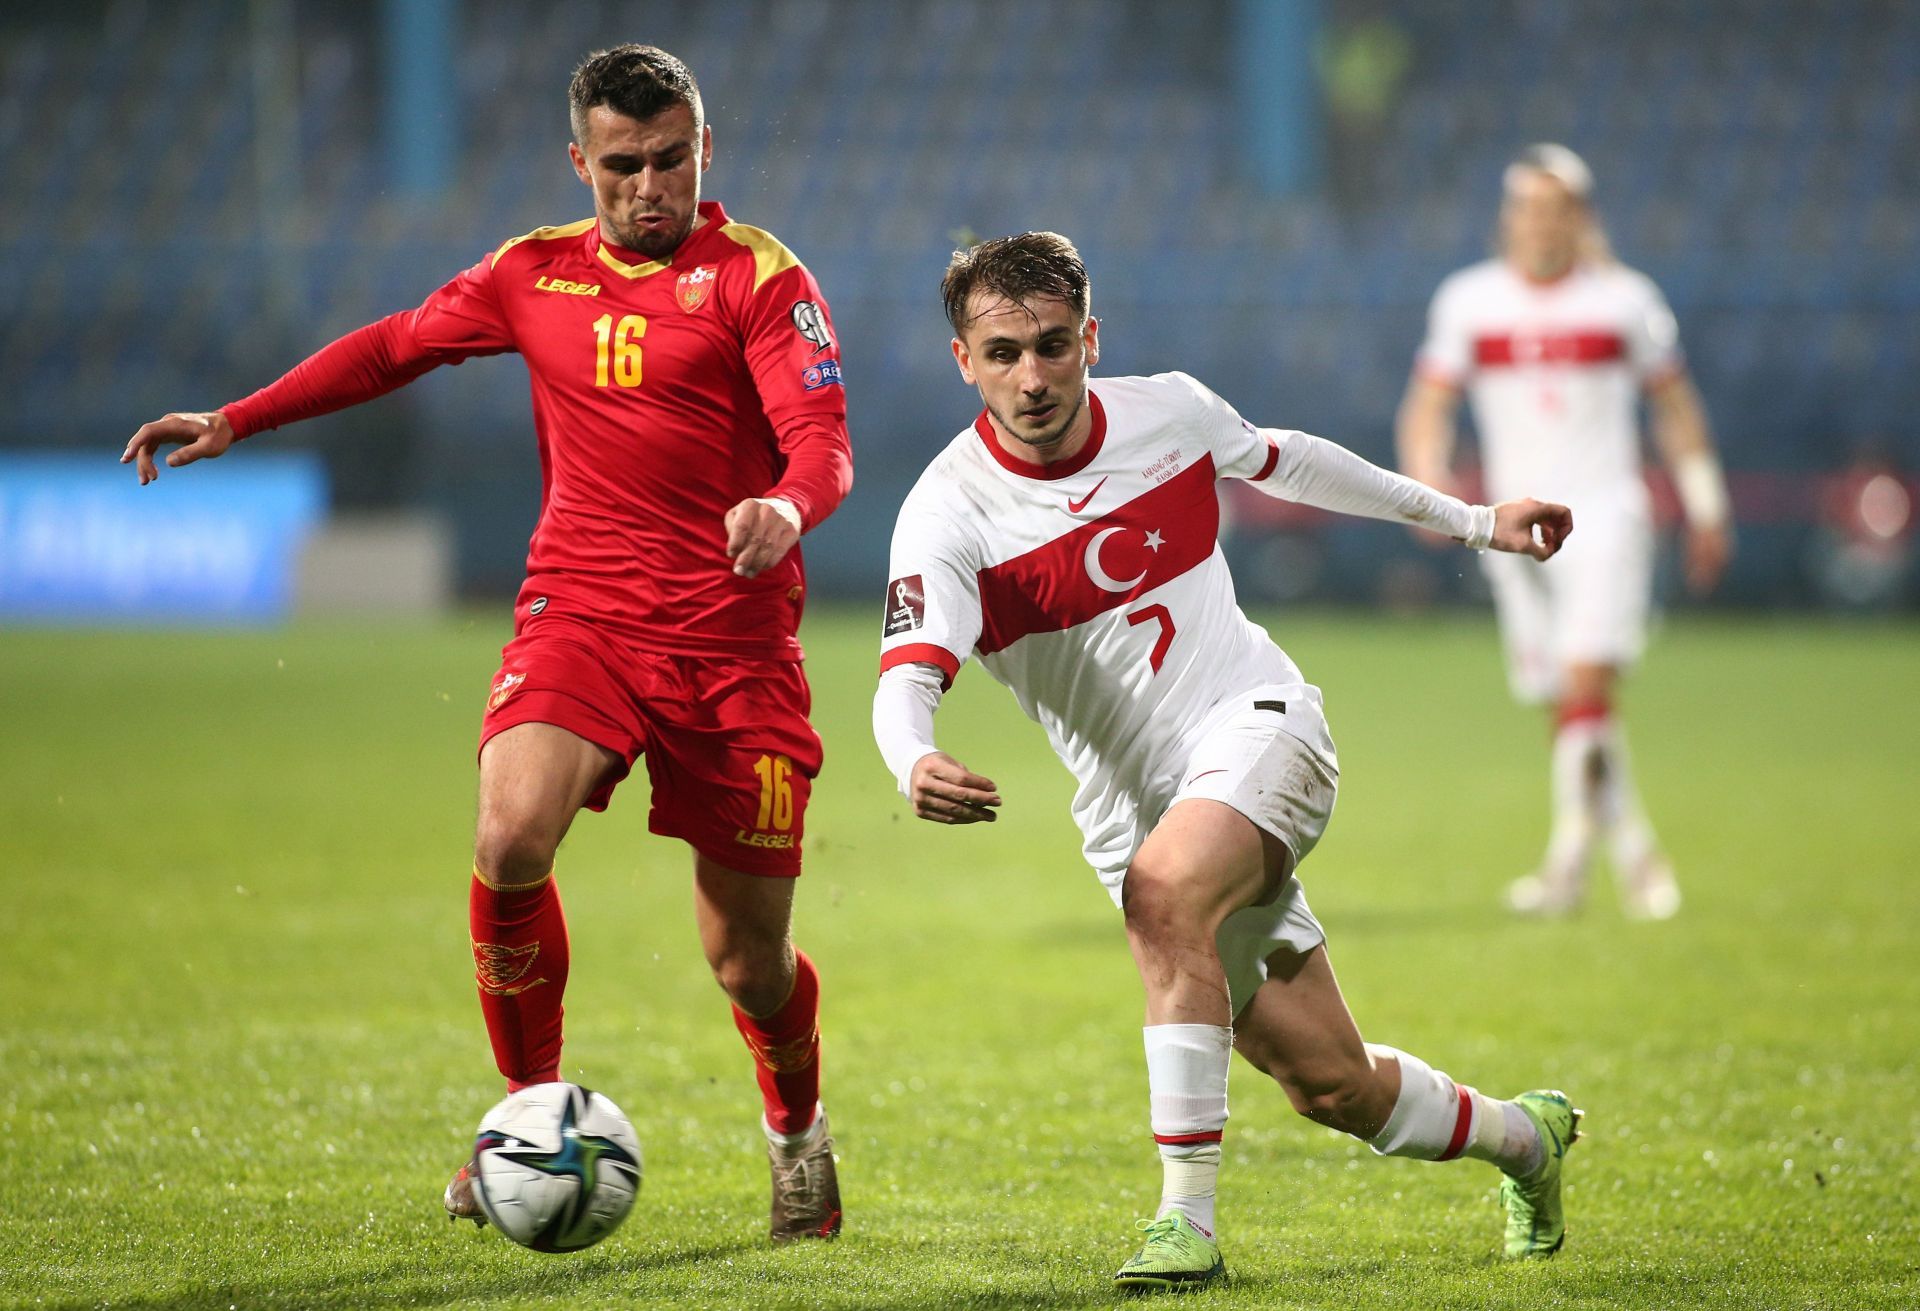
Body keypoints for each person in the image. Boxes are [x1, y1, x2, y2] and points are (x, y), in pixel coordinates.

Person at [122, 45, 849, 1244]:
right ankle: (525, 1119)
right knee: (510, 837)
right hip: (584, 614)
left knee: (746, 963)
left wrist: (788, 505)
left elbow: (822, 436)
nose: (652, 187)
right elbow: (399, 343)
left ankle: (798, 1138)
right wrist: (238, 417)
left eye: (674, 159)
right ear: (581, 164)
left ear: (702, 147)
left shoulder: (763, 280)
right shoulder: (532, 271)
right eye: (625, 167)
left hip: (733, 645)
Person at [871, 231, 1581, 1291]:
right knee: (1336, 1087)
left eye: (1054, 346)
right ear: (963, 361)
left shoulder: (1169, 413)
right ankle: (1528, 1143)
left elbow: (1297, 461)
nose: (1033, 376)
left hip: (1260, 727)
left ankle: (1184, 1226)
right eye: (1005, 352)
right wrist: (909, 757)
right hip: (1133, 809)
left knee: (1167, 893)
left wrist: (1477, 522)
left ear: (1089, 339)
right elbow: (907, 674)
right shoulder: (947, 514)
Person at [1396, 143, 1733, 920]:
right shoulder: (1469, 301)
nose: (1539, 224)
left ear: (1579, 219)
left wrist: (1706, 505)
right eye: (1526, 209)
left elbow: (1676, 410)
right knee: (1565, 701)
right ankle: (1638, 852)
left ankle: (1567, 866)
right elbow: (1427, 407)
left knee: (1586, 682)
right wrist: (1430, 489)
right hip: (1510, 525)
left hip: (1606, 512)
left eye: (1555, 210)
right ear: (1508, 218)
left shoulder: (1624, 302)